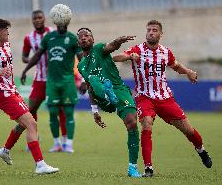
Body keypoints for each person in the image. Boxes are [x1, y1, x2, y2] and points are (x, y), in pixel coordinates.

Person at [113, 20, 212, 177]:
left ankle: (201, 150)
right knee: (146, 124)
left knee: (188, 129)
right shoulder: (137, 49)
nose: (151, 32)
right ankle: (148, 168)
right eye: (149, 30)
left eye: (154, 30)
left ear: (160, 34)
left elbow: (176, 66)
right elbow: (117, 57)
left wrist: (188, 72)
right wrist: (128, 57)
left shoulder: (166, 52)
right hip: (144, 97)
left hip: (165, 98)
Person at [0, 18, 59, 174]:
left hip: (12, 91)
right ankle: (40, 164)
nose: (8, 32)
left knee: (23, 124)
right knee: (32, 124)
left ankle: (5, 150)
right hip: (3, 95)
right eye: (6, 30)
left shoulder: (6, 44)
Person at [77, 27, 142, 178]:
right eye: (81, 37)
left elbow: (111, 46)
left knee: (132, 123)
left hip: (119, 90)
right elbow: (90, 89)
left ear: (92, 39)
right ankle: (107, 94)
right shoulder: (81, 65)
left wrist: (119, 40)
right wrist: (95, 112)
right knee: (93, 80)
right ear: (78, 42)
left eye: (87, 35)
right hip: (102, 99)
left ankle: (132, 168)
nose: (84, 38)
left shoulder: (99, 49)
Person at [21, 4, 82, 153]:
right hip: (45, 80)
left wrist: (84, 78)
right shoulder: (37, 37)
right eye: (34, 18)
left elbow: (79, 58)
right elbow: (32, 55)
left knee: (64, 111)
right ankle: (45, 140)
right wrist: (26, 67)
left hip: (62, 79)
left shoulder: (64, 36)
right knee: (41, 110)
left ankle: (67, 142)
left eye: (40, 17)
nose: (37, 20)